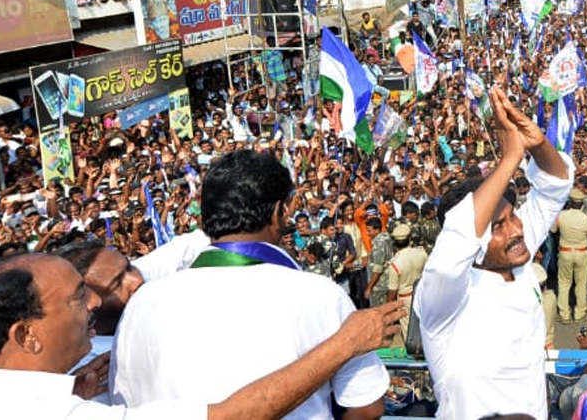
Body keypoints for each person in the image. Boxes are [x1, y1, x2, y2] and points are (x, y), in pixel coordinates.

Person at [0, 253, 402, 420]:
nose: (91, 306)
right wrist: (346, 342)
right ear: (27, 335)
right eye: (74, 298)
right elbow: (235, 416)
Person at [111, 151, 392, 420]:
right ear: (278, 213)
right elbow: (365, 408)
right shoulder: (319, 295)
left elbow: (122, 399)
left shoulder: (142, 301)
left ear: (204, 218)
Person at [413, 87, 572, 420]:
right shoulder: (445, 296)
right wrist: (509, 159)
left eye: (513, 215)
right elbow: (455, 245)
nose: (516, 229)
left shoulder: (517, 257)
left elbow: (555, 184)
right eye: (497, 225)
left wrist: (537, 144)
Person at [555, 187, 587, 324]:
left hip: (565, 251)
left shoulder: (561, 215)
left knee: (564, 283)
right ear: (582, 203)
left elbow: (553, 230)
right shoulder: (586, 219)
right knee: (581, 283)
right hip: (581, 252)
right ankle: (579, 313)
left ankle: (564, 314)